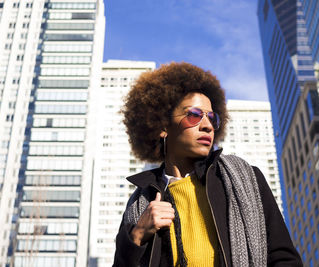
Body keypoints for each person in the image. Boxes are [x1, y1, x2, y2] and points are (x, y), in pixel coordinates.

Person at [113, 62, 302, 267]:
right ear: (162, 126)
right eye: (194, 115)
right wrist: (138, 235)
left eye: (212, 117)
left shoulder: (246, 179)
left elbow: (284, 258)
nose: (207, 125)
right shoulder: (141, 202)